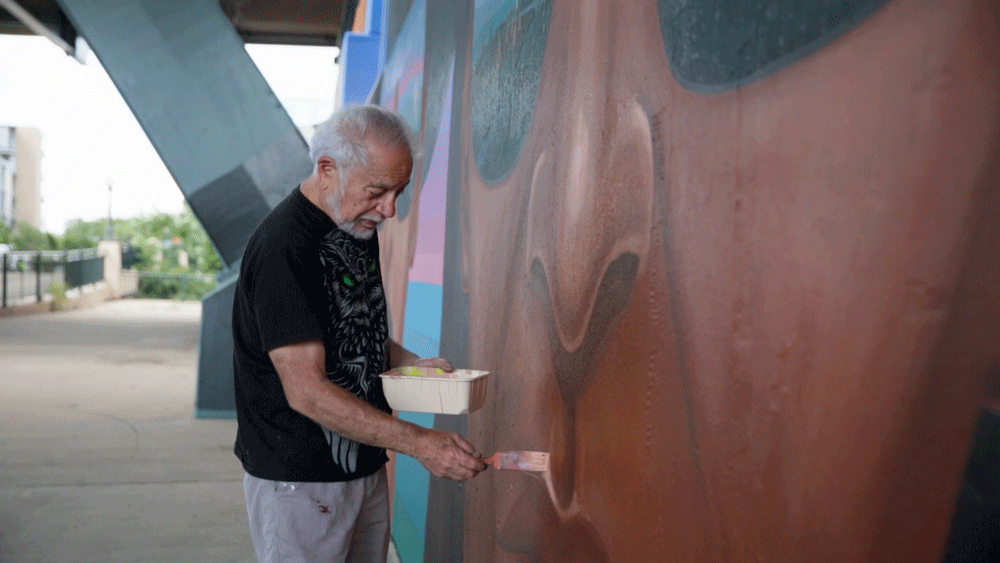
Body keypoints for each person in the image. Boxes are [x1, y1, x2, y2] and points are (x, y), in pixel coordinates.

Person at [232, 104, 485, 563]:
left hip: (364, 466)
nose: (389, 209)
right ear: (327, 170)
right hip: (301, 482)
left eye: (398, 192)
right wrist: (420, 443)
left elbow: (347, 329)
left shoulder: (353, 225)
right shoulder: (284, 249)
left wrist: (408, 364)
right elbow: (306, 392)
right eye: (378, 191)